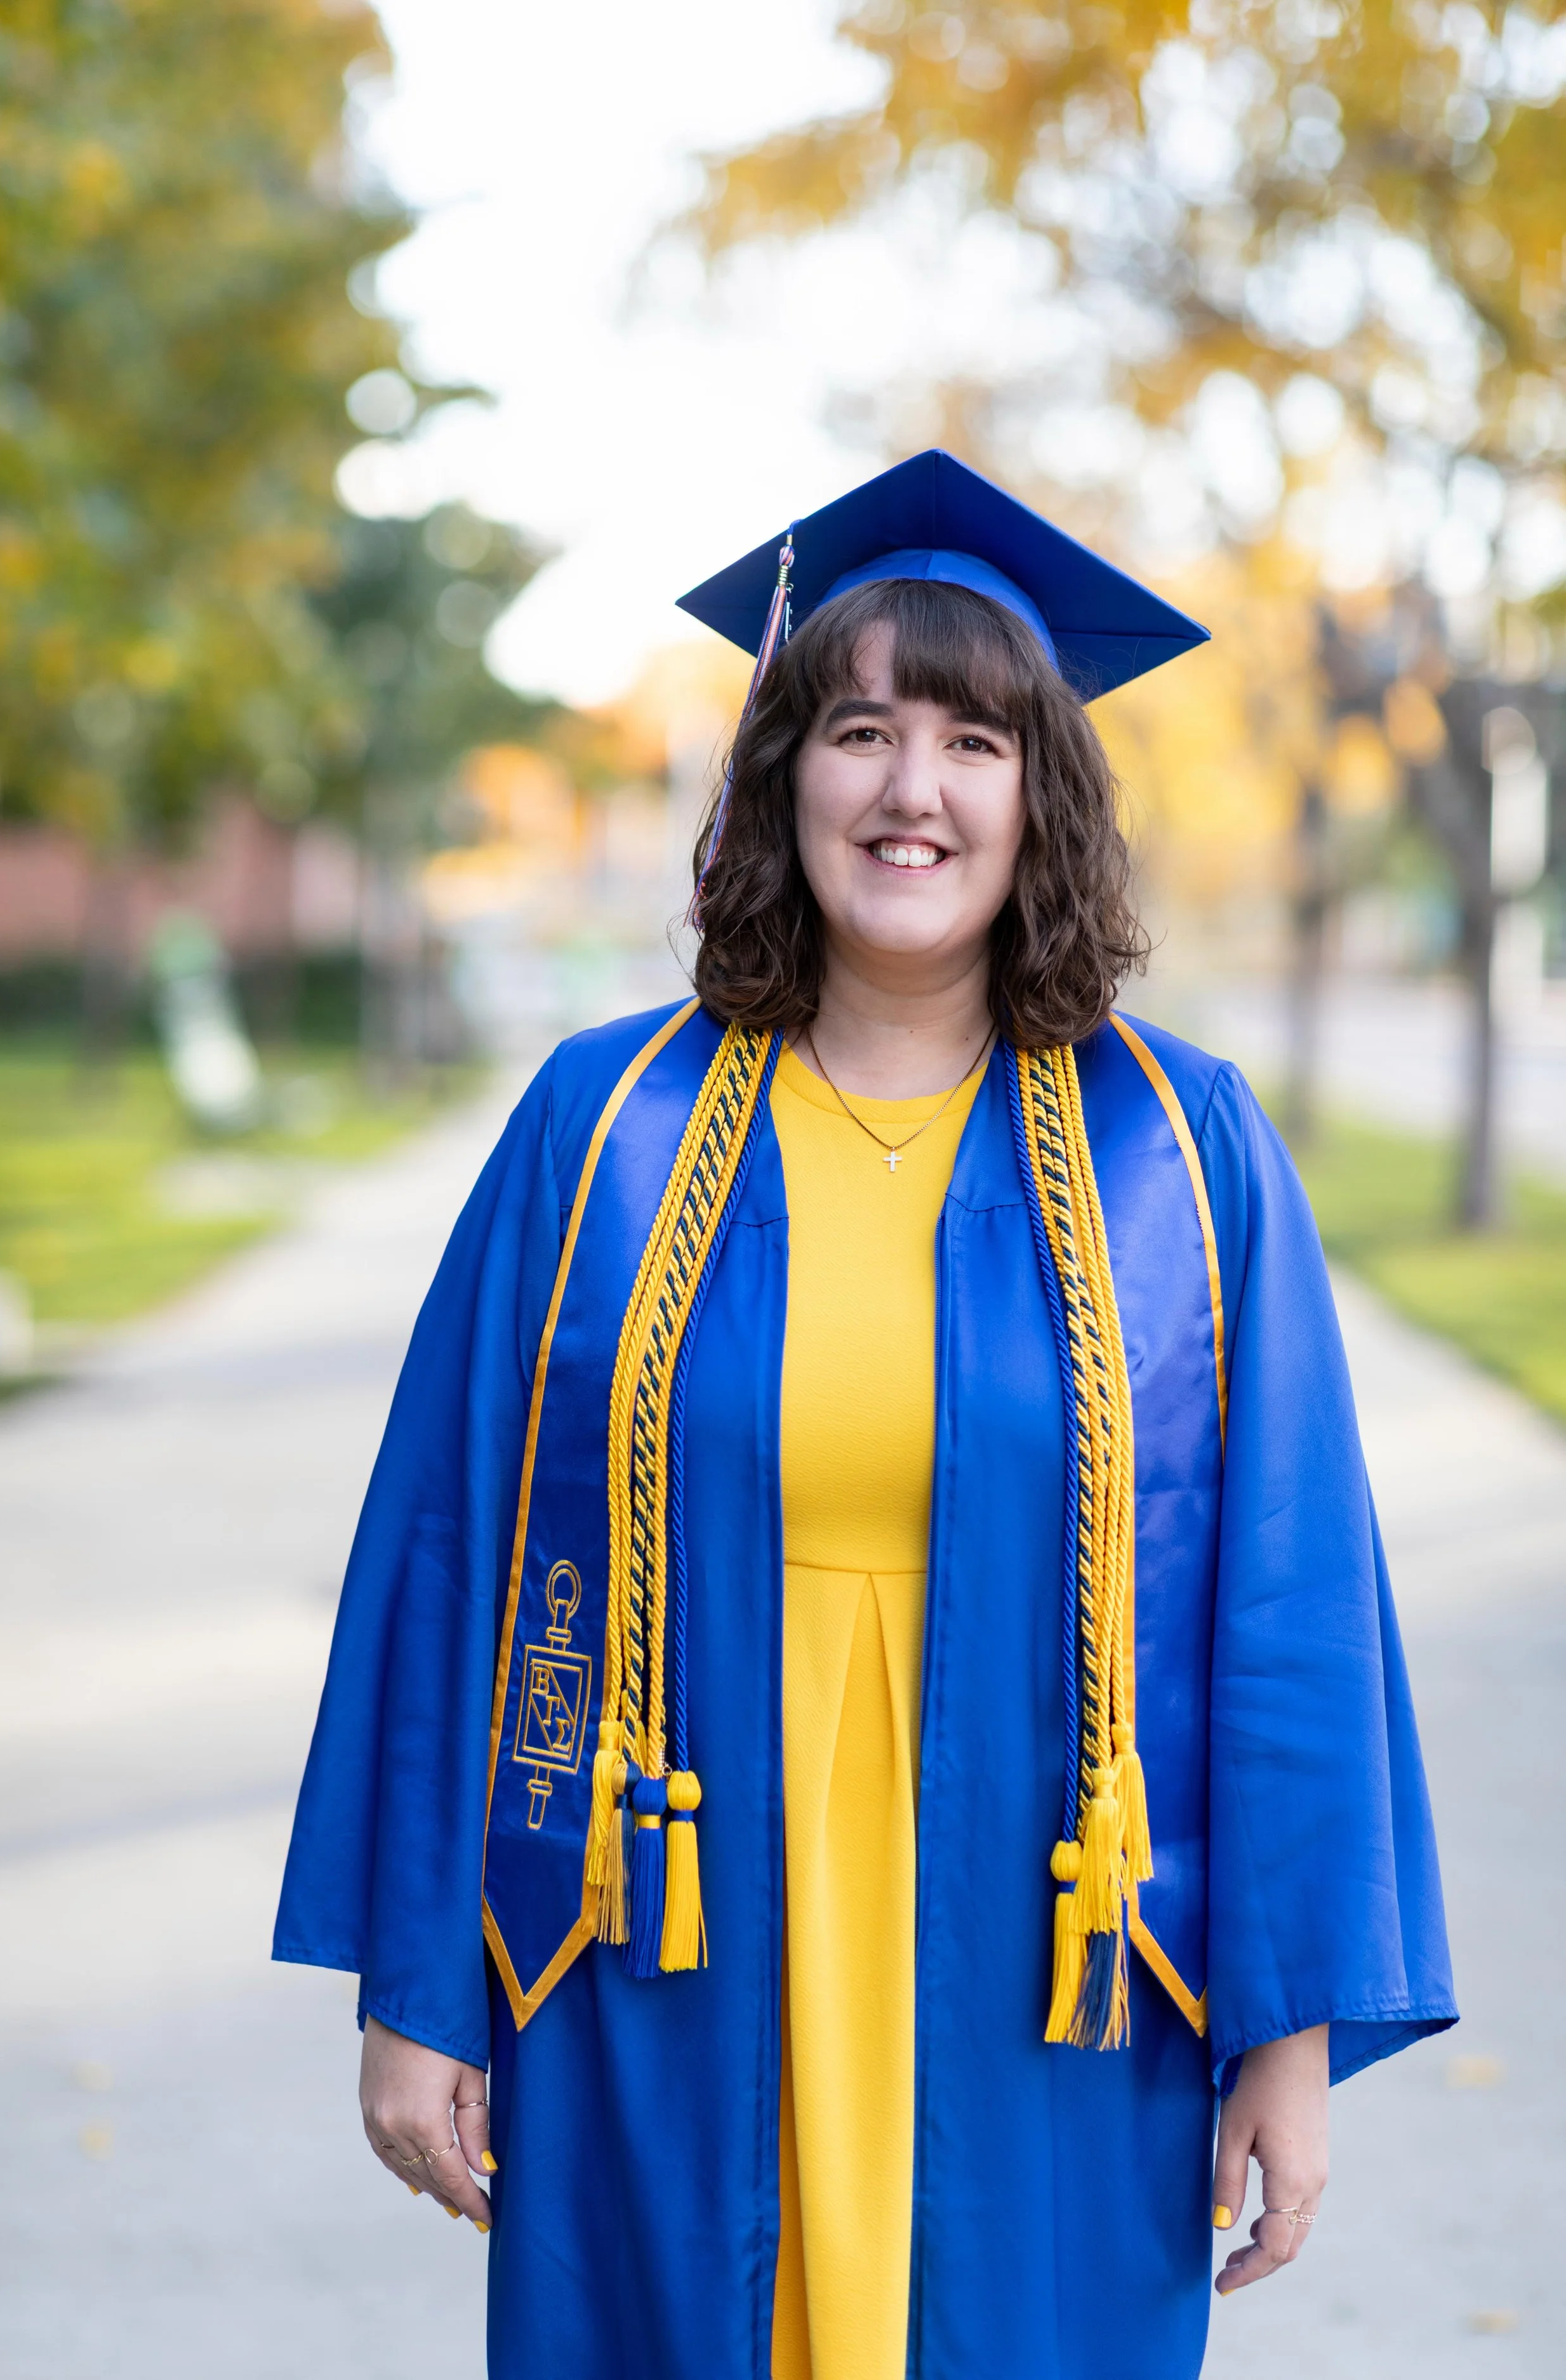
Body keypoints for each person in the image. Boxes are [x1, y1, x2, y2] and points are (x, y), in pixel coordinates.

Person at [275, 449, 1456, 2380]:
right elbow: (448, 1550)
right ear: (780, 779)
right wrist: (420, 1985)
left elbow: (1290, 1611)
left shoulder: (1179, 1155)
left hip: (1050, 1950)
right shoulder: (603, 1130)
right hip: (660, 1928)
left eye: (975, 744)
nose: (913, 791)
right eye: (859, 729)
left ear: (1039, 799)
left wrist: (1288, 2036)